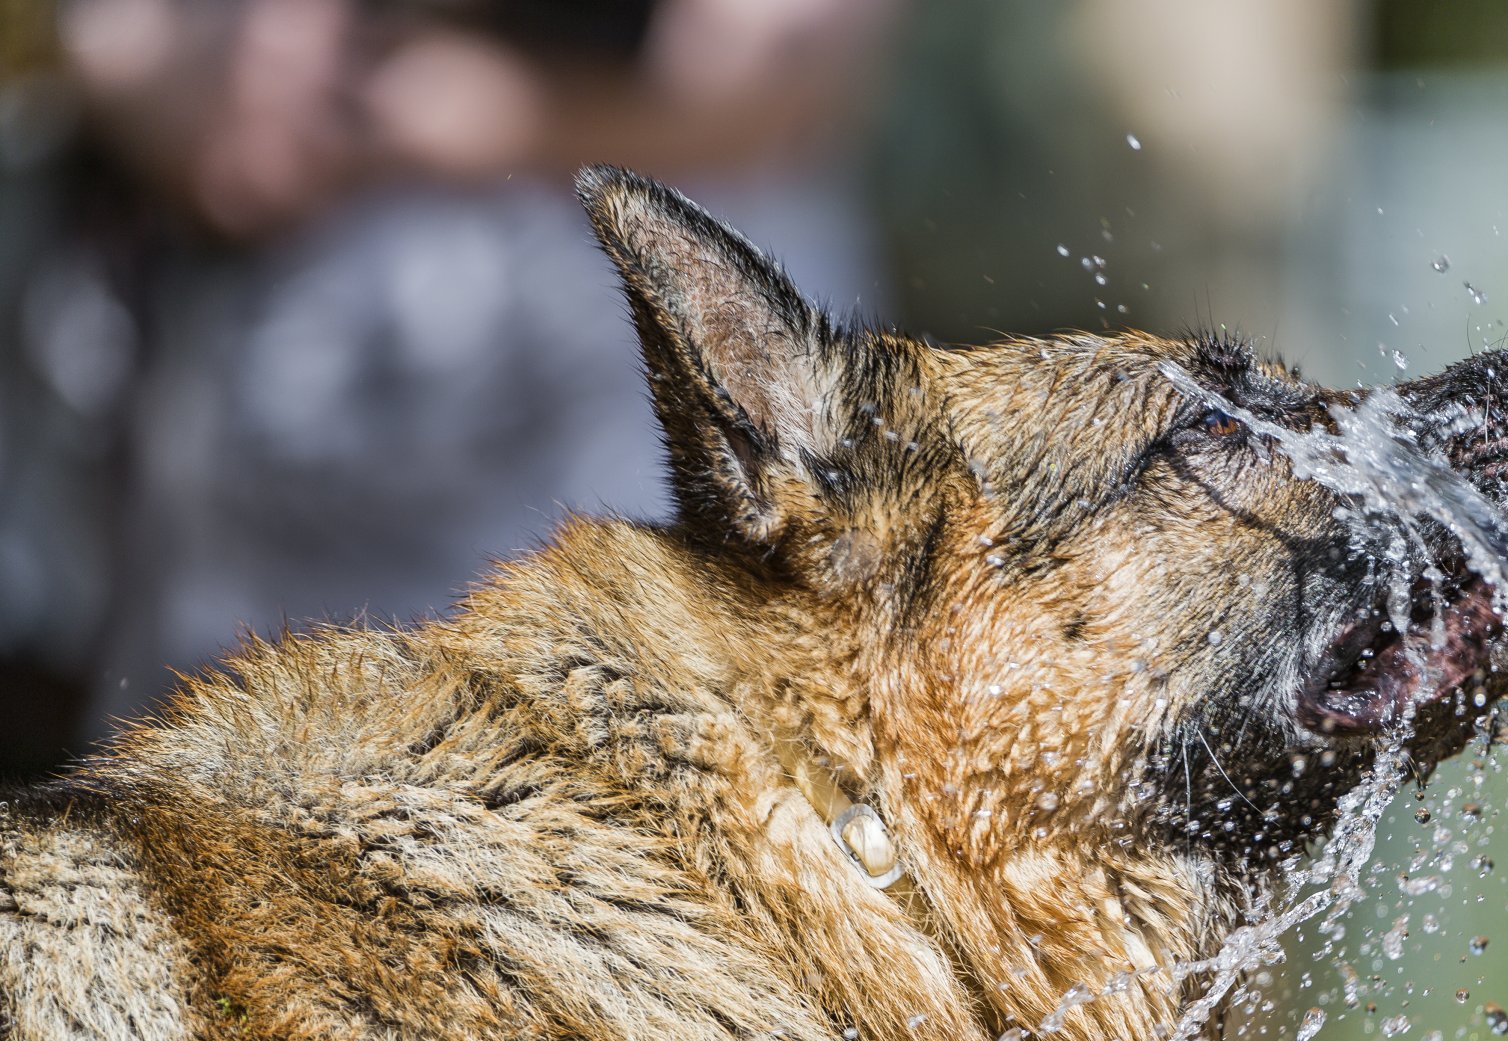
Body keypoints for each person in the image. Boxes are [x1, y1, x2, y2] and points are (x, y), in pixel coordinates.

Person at [0, 0, 897, 780]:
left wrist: (448, 115)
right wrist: (180, 90)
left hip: (609, 397)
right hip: (242, 492)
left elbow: (778, 58)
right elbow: (113, 40)